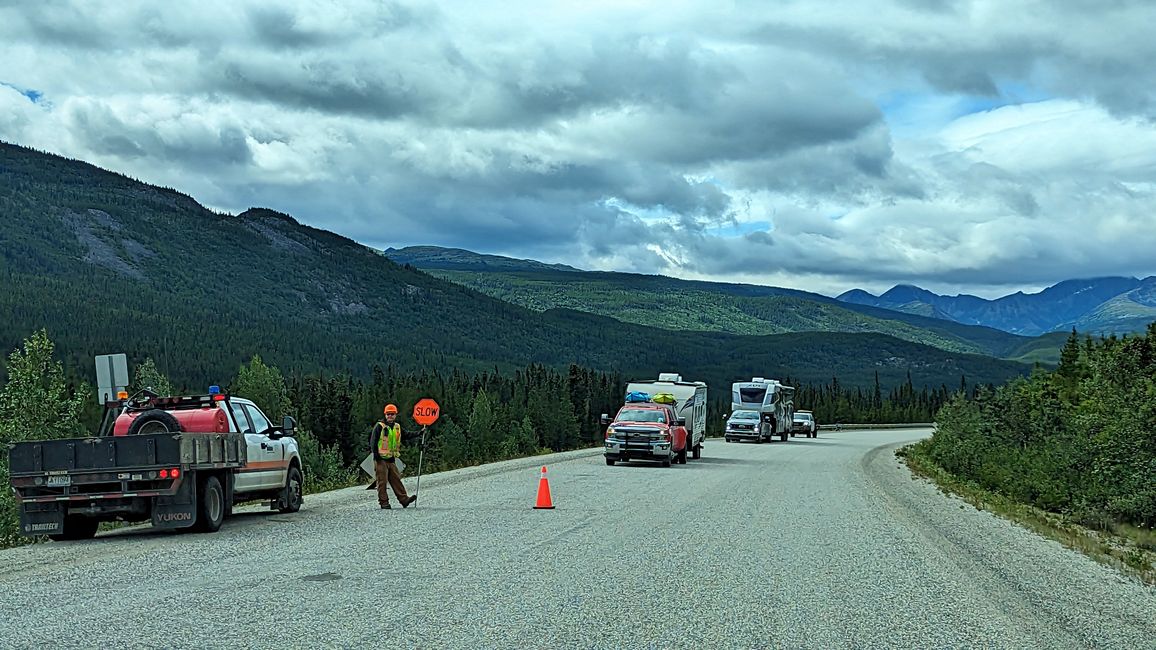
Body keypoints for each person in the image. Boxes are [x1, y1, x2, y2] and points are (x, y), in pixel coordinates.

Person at [369, 404, 418, 509]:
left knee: (396, 479)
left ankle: (404, 500)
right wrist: (376, 455)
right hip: (380, 459)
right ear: (385, 415)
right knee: (382, 482)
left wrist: (420, 433)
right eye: (388, 414)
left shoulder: (397, 427)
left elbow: (407, 435)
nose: (390, 416)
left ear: (395, 415)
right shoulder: (379, 426)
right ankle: (384, 503)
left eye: (392, 414)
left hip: (391, 459)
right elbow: (373, 441)